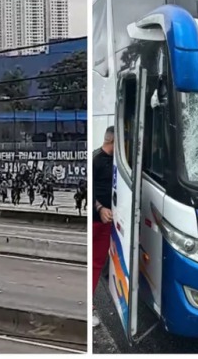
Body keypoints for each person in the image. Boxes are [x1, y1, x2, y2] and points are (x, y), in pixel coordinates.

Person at [93, 126, 115, 328]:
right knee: (91, 265)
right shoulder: (96, 160)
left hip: (106, 222)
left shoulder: (116, 163)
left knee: (97, 264)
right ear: (112, 141)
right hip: (95, 220)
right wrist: (99, 208)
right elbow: (87, 189)